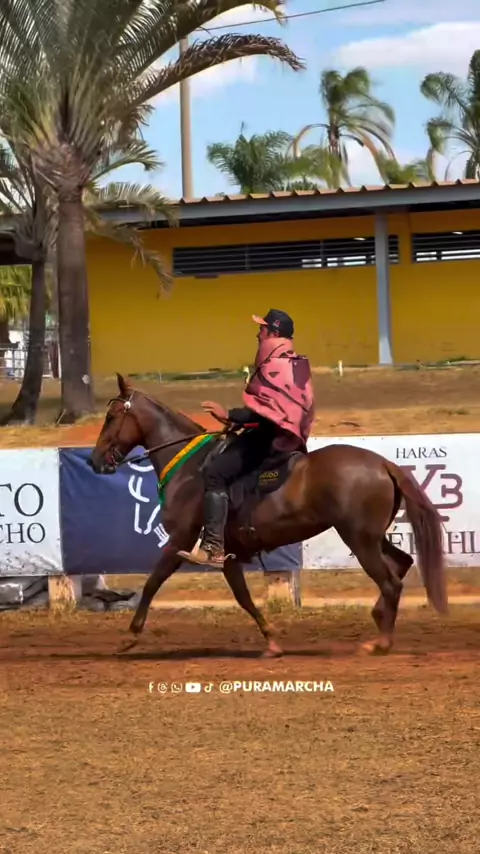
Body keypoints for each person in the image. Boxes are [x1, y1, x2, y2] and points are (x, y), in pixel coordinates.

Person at [177, 309, 315, 568]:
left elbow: (266, 415)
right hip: (281, 435)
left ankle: (213, 547)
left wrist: (229, 414)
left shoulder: (276, 366)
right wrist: (238, 422)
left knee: (215, 474)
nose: (258, 334)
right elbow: (274, 412)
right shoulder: (294, 363)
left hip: (270, 440)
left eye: (262, 329)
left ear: (273, 333)